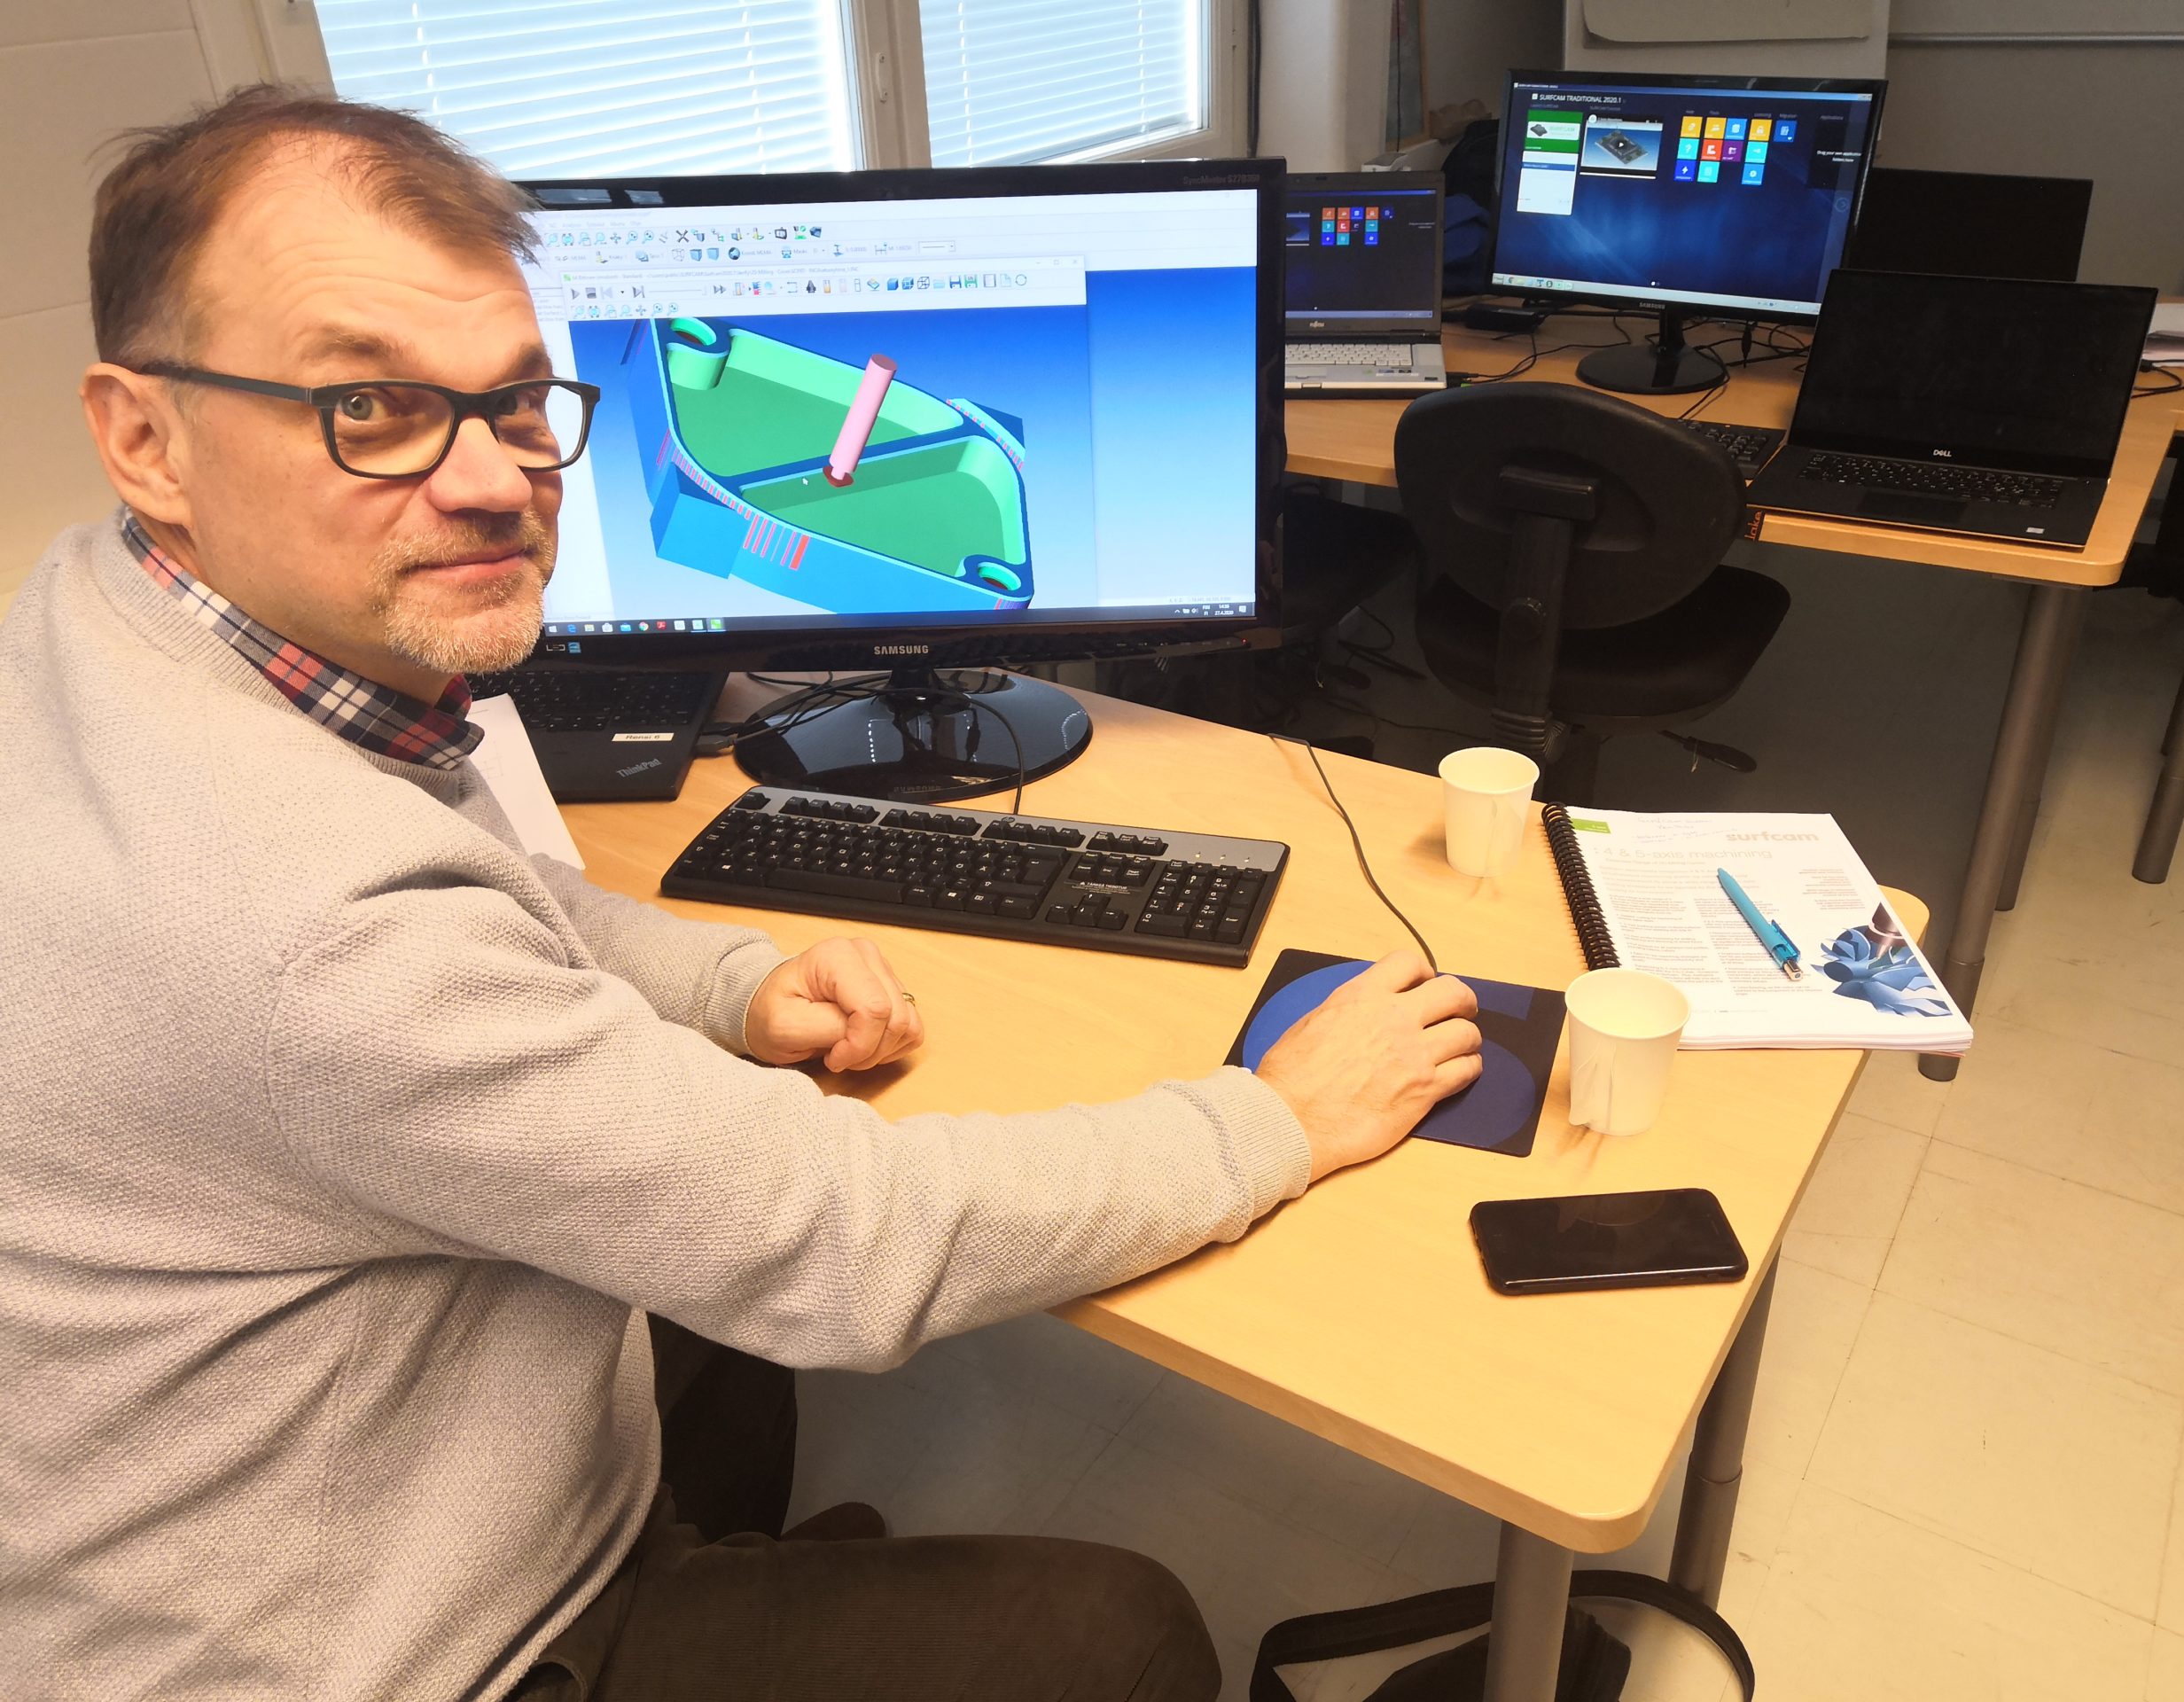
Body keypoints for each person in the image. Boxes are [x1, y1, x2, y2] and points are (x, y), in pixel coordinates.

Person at [0, 88, 1483, 1702]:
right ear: (143, 437)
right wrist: (1274, 1118)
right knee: (1114, 1637)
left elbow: (480, 888)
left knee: (707, 1323)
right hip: (391, 1651)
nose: (494, 480)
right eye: (370, 406)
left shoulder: (101, 620)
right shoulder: (309, 934)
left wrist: (724, 985)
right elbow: (855, 1239)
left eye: (515, 400)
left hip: (250, 1502)